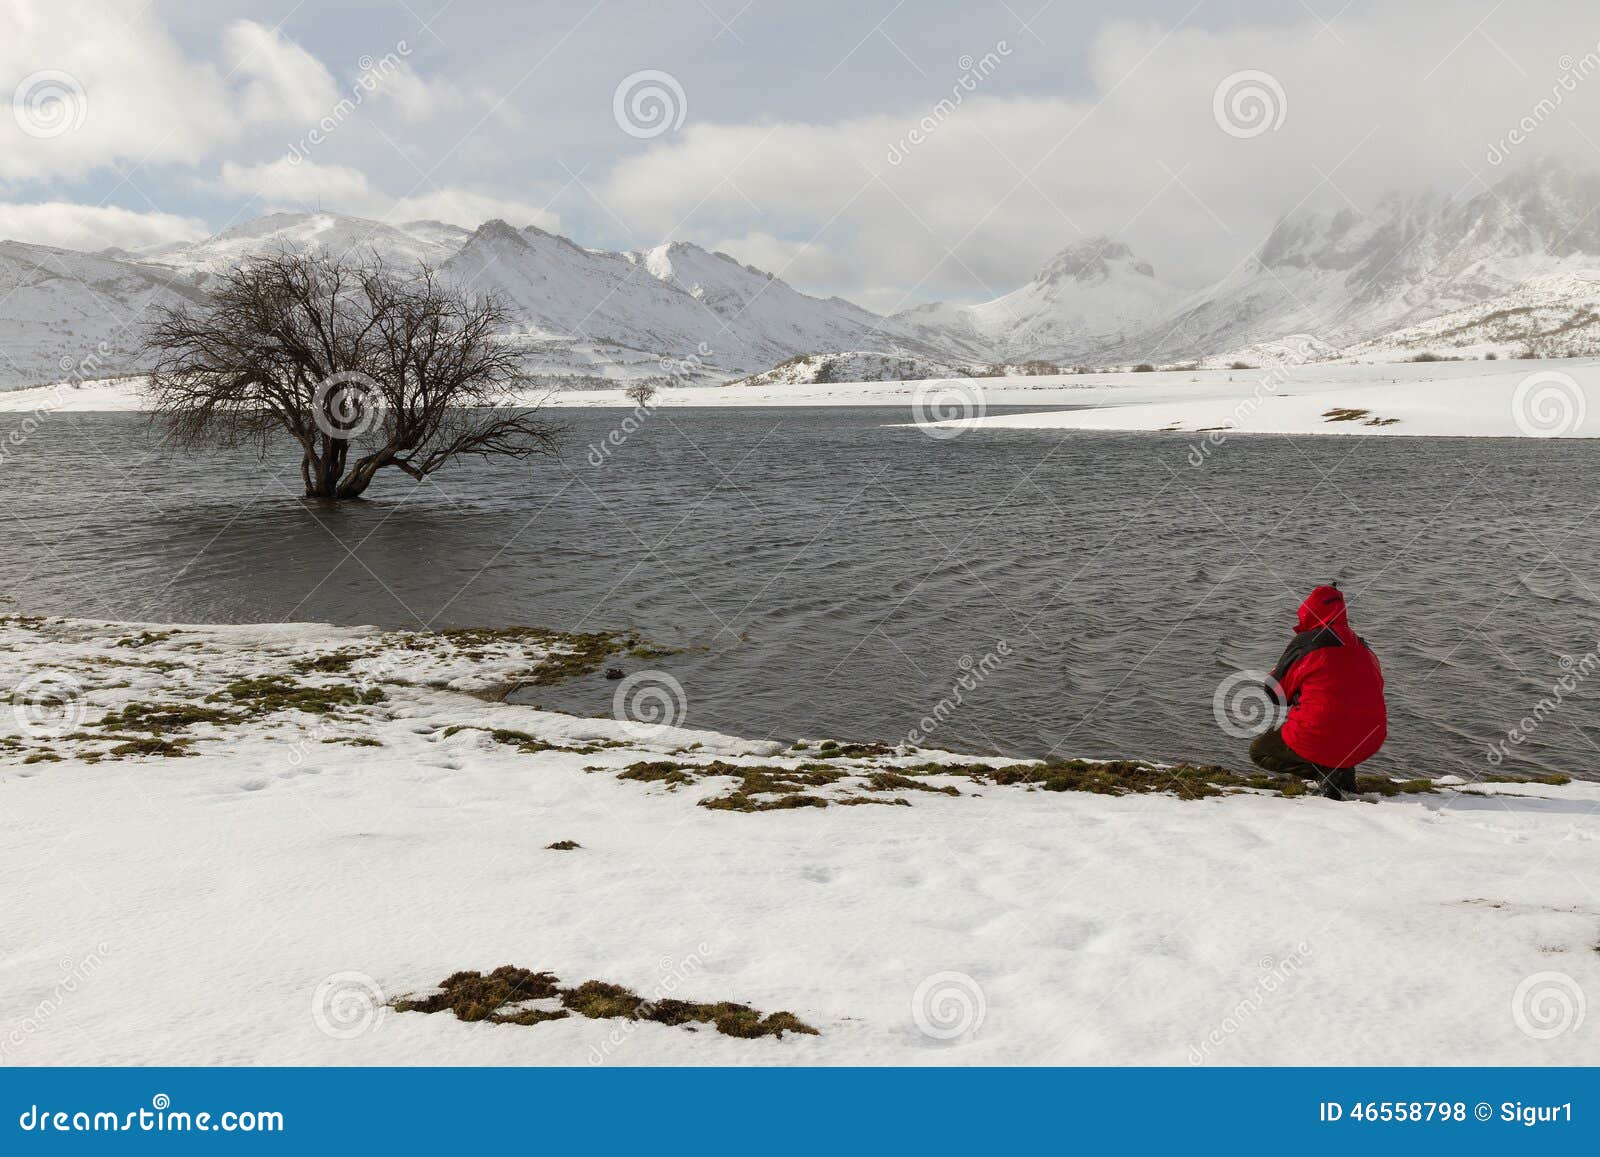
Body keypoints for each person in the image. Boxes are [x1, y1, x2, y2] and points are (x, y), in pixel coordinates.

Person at [1249, 583, 1387, 800]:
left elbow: (1274, 694)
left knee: (1261, 751)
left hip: (1322, 735)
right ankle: (1343, 772)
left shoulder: (1306, 643)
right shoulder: (1362, 645)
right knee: (1341, 720)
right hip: (1368, 739)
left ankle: (1324, 774)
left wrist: (1280, 675)